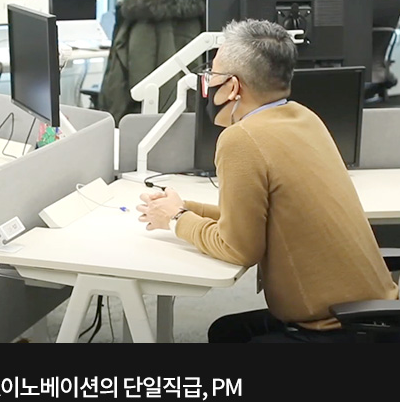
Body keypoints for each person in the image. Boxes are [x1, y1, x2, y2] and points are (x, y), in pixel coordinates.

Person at [136, 19, 399, 343]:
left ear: (233, 87)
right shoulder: (305, 117)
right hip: (375, 311)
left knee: (228, 336)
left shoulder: (241, 139)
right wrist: (185, 207)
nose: (207, 84)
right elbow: (259, 219)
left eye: (212, 75)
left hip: (336, 327)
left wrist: (176, 220)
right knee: (225, 331)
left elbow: (237, 248)